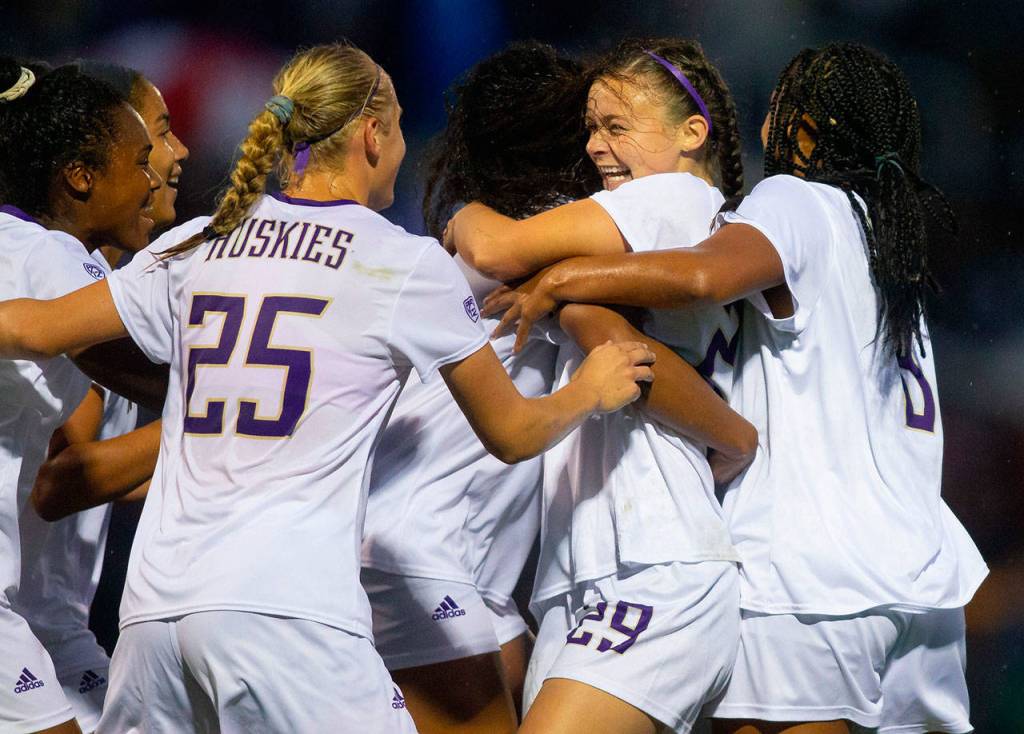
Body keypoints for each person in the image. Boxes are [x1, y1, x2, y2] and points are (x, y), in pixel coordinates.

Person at [0, 43, 654, 732]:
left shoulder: (198, 240)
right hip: (290, 616)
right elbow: (514, 433)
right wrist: (592, 388)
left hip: (155, 619)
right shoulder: (399, 261)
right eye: (399, 126)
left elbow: (34, 328)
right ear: (373, 134)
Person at [489, 42, 988, 734]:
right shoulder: (886, 241)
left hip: (810, 584)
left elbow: (702, 276)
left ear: (805, 128)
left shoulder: (795, 200)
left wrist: (561, 279)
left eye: (778, 105)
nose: (763, 125)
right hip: (924, 588)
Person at [447, 38, 755, 734]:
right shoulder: (675, 225)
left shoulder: (673, 196)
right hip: (586, 569)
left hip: (656, 556)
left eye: (617, 126)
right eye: (590, 128)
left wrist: (460, 214)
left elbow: (499, 248)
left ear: (691, 133)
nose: (594, 145)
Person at [359, 41, 600, 733]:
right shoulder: (522, 236)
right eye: (595, 126)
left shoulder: (492, 229)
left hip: (466, 566)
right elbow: (493, 248)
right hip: (422, 547)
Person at [13, 61, 189, 734]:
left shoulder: (59, 260)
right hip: (33, 616)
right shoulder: (60, 264)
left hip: (47, 614)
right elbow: (62, 478)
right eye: (153, 143)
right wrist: (218, 415)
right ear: (84, 167)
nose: (167, 165)